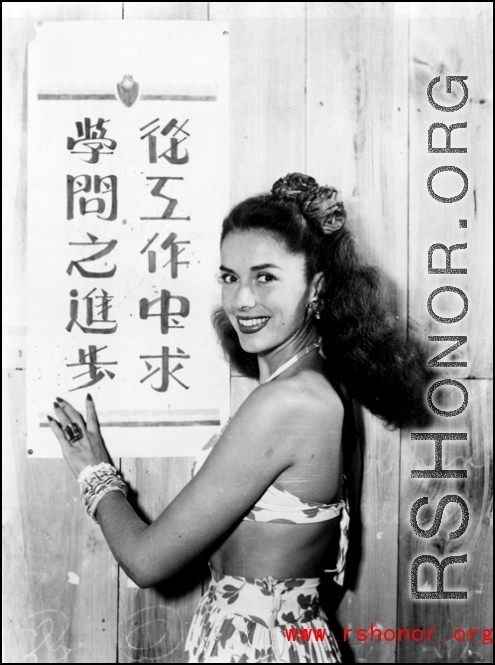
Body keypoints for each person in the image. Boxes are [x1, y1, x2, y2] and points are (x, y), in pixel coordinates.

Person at [47, 173, 428, 663]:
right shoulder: (316, 382)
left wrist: (93, 472)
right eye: (230, 277)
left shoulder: (289, 402)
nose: (241, 300)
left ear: (318, 285)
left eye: (265, 277)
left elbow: (146, 562)